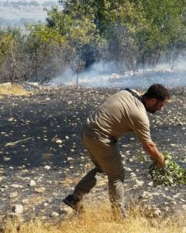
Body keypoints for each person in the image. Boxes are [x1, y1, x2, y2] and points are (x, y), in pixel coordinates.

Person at [63, 84, 169, 216]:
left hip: (87, 131)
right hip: (100, 137)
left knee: (103, 168)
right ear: (153, 100)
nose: (162, 108)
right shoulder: (140, 115)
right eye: (161, 104)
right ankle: (119, 214)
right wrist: (160, 159)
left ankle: (74, 197)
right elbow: (148, 145)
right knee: (117, 175)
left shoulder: (130, 92)